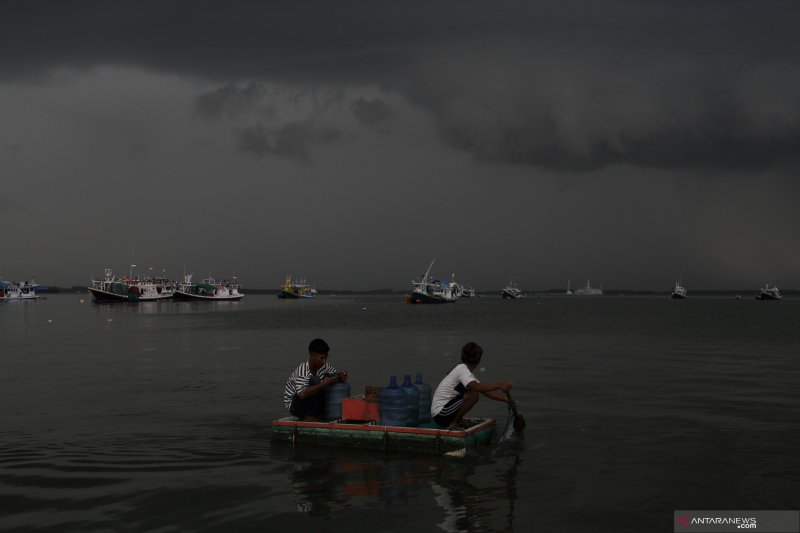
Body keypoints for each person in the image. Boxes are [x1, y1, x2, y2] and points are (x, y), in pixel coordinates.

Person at [431, 342, 513, 430]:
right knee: (473, 395)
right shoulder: (462, 370)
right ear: (478, 361)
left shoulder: (464, 372)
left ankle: (457, 420)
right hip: (441, 413)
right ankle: (454, 423)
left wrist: (505, 399)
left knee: (472, 392)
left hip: (443, 413)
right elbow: (477, 387)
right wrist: (500, 385)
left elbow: (484, 390)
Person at [283, 338, 348, 421]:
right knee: (316, 380)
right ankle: (309, 415)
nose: (324, 361)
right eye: (321, 358)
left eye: (326, 358)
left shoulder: (324, 366)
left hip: (308, 402)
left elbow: (334, 374)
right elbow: (302, 394)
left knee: (327, 379)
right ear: (312, 355)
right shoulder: (303, 370)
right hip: (295, 405)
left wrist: (341, 375)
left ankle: (317, 413)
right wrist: (323, 384)